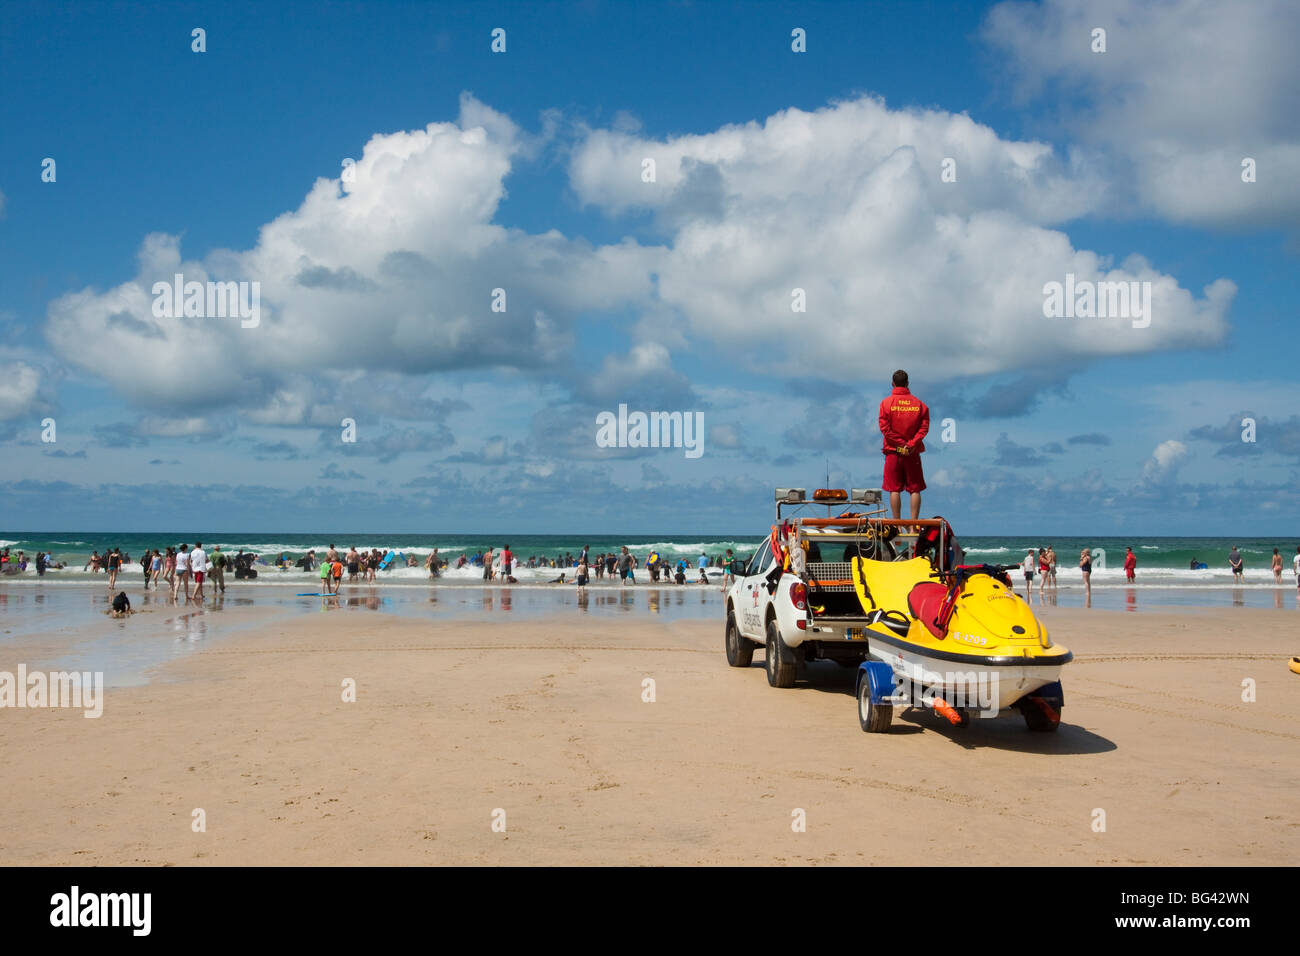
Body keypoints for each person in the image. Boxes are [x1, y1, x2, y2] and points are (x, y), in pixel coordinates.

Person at [878, 369, 930, 522]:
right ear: (907, 383)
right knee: (915, 489)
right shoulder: (920, 404)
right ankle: (913, 524)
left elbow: (885, 429)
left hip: (893, 451)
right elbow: (924, 428)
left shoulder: (886, 403)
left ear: (893, 384)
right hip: (912, 452)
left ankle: (897, 524)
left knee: (894, 489)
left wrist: (901, 444)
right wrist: (911, 444)